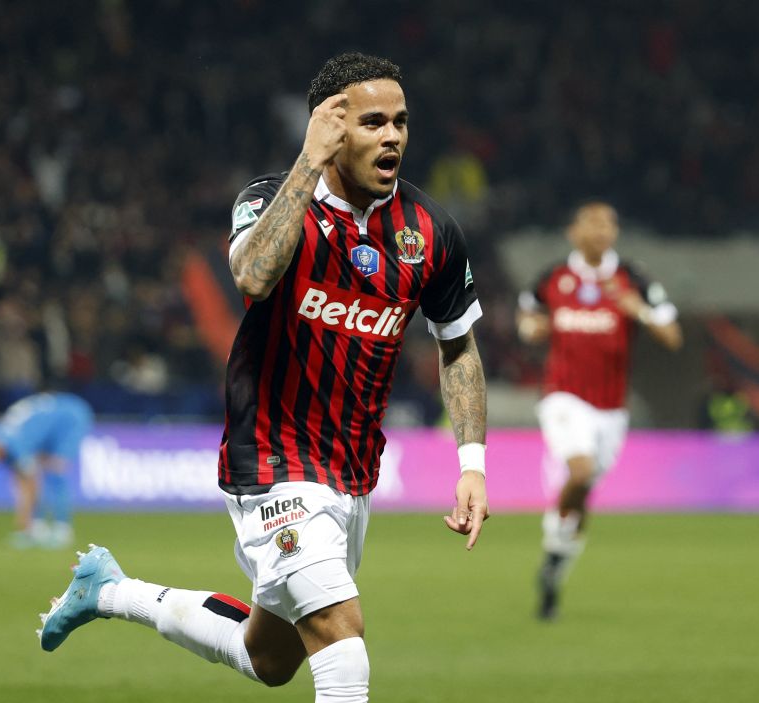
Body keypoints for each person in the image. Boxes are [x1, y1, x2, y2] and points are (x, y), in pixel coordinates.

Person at [37, 53, 489, 703]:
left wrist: (470, 461)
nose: (391, 135)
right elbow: (251, 275)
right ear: (329, 126)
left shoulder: (431, 231)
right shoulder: (267, 199)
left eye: (400, 122)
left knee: (270, 656)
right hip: (273, 458)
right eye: (371, 122)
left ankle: (108, 590)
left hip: (352, 469)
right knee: (342, 639)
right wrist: (309, 164)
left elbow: (458, 346)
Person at [516, 202, 682, 620]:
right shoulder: (554, 278)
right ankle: (555, 532)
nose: (601, 230)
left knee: (585, 491)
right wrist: (531, 328)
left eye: (608, 223)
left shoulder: (633, 279)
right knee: (581, 471)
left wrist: (638, 310)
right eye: (592, 223)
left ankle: (556, 564)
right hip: (563, 396)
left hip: (611, 409)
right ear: (573, 232)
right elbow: (527, 317)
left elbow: (673, 337)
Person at [0, 391, 93, 548]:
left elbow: (31, 482)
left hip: (70, 417)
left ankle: (62, 530)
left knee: (56, 472)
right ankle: (37, 528)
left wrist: (23, 519)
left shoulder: (15, 443)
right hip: (50, 423)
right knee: (38, 474)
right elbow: (20, 479)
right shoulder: (2, 440)